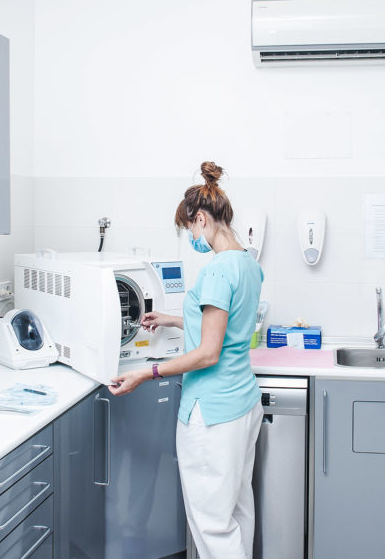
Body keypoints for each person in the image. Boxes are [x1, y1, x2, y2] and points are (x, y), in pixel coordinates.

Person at [109, 161, 263, 559]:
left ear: (200, 219)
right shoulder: (247, 263)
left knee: (211, 525)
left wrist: (148, 372)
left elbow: (209, 352)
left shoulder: (215, 272)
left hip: (212, 414)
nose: (192, 238)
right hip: (244, 404)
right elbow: (223, 328)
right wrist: (173, 318)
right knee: (237, 512)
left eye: (189, 230)